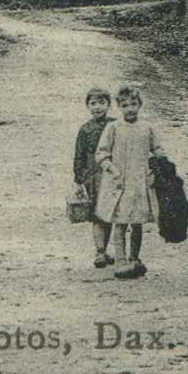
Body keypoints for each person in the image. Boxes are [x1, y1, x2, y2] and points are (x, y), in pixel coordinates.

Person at [93, 84, 160, 279]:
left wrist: (158, 168)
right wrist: (112, 169)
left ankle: (134, 258)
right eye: (125, 105)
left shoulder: (147, 128)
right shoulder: (113, 127)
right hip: (119, 183)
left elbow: (158, 150)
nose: (130, 108)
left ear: (140, 105)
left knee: (137, 222)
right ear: (119, 107)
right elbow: (101, 153)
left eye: (133, 104)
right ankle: (120, 260)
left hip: (139, 183)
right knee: (120, 222)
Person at [72, 86, 116, 268]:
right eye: (93, 103)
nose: (97, 107)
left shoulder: (115, 125)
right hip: (93, 175)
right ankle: (100, 251)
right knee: (97, 214)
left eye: (101, 103)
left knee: (110, 213)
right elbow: (79, 154)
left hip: (111, 173)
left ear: (108, 104)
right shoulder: (85, 129)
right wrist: (79, 178)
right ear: (87, 106)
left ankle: (107, 250)